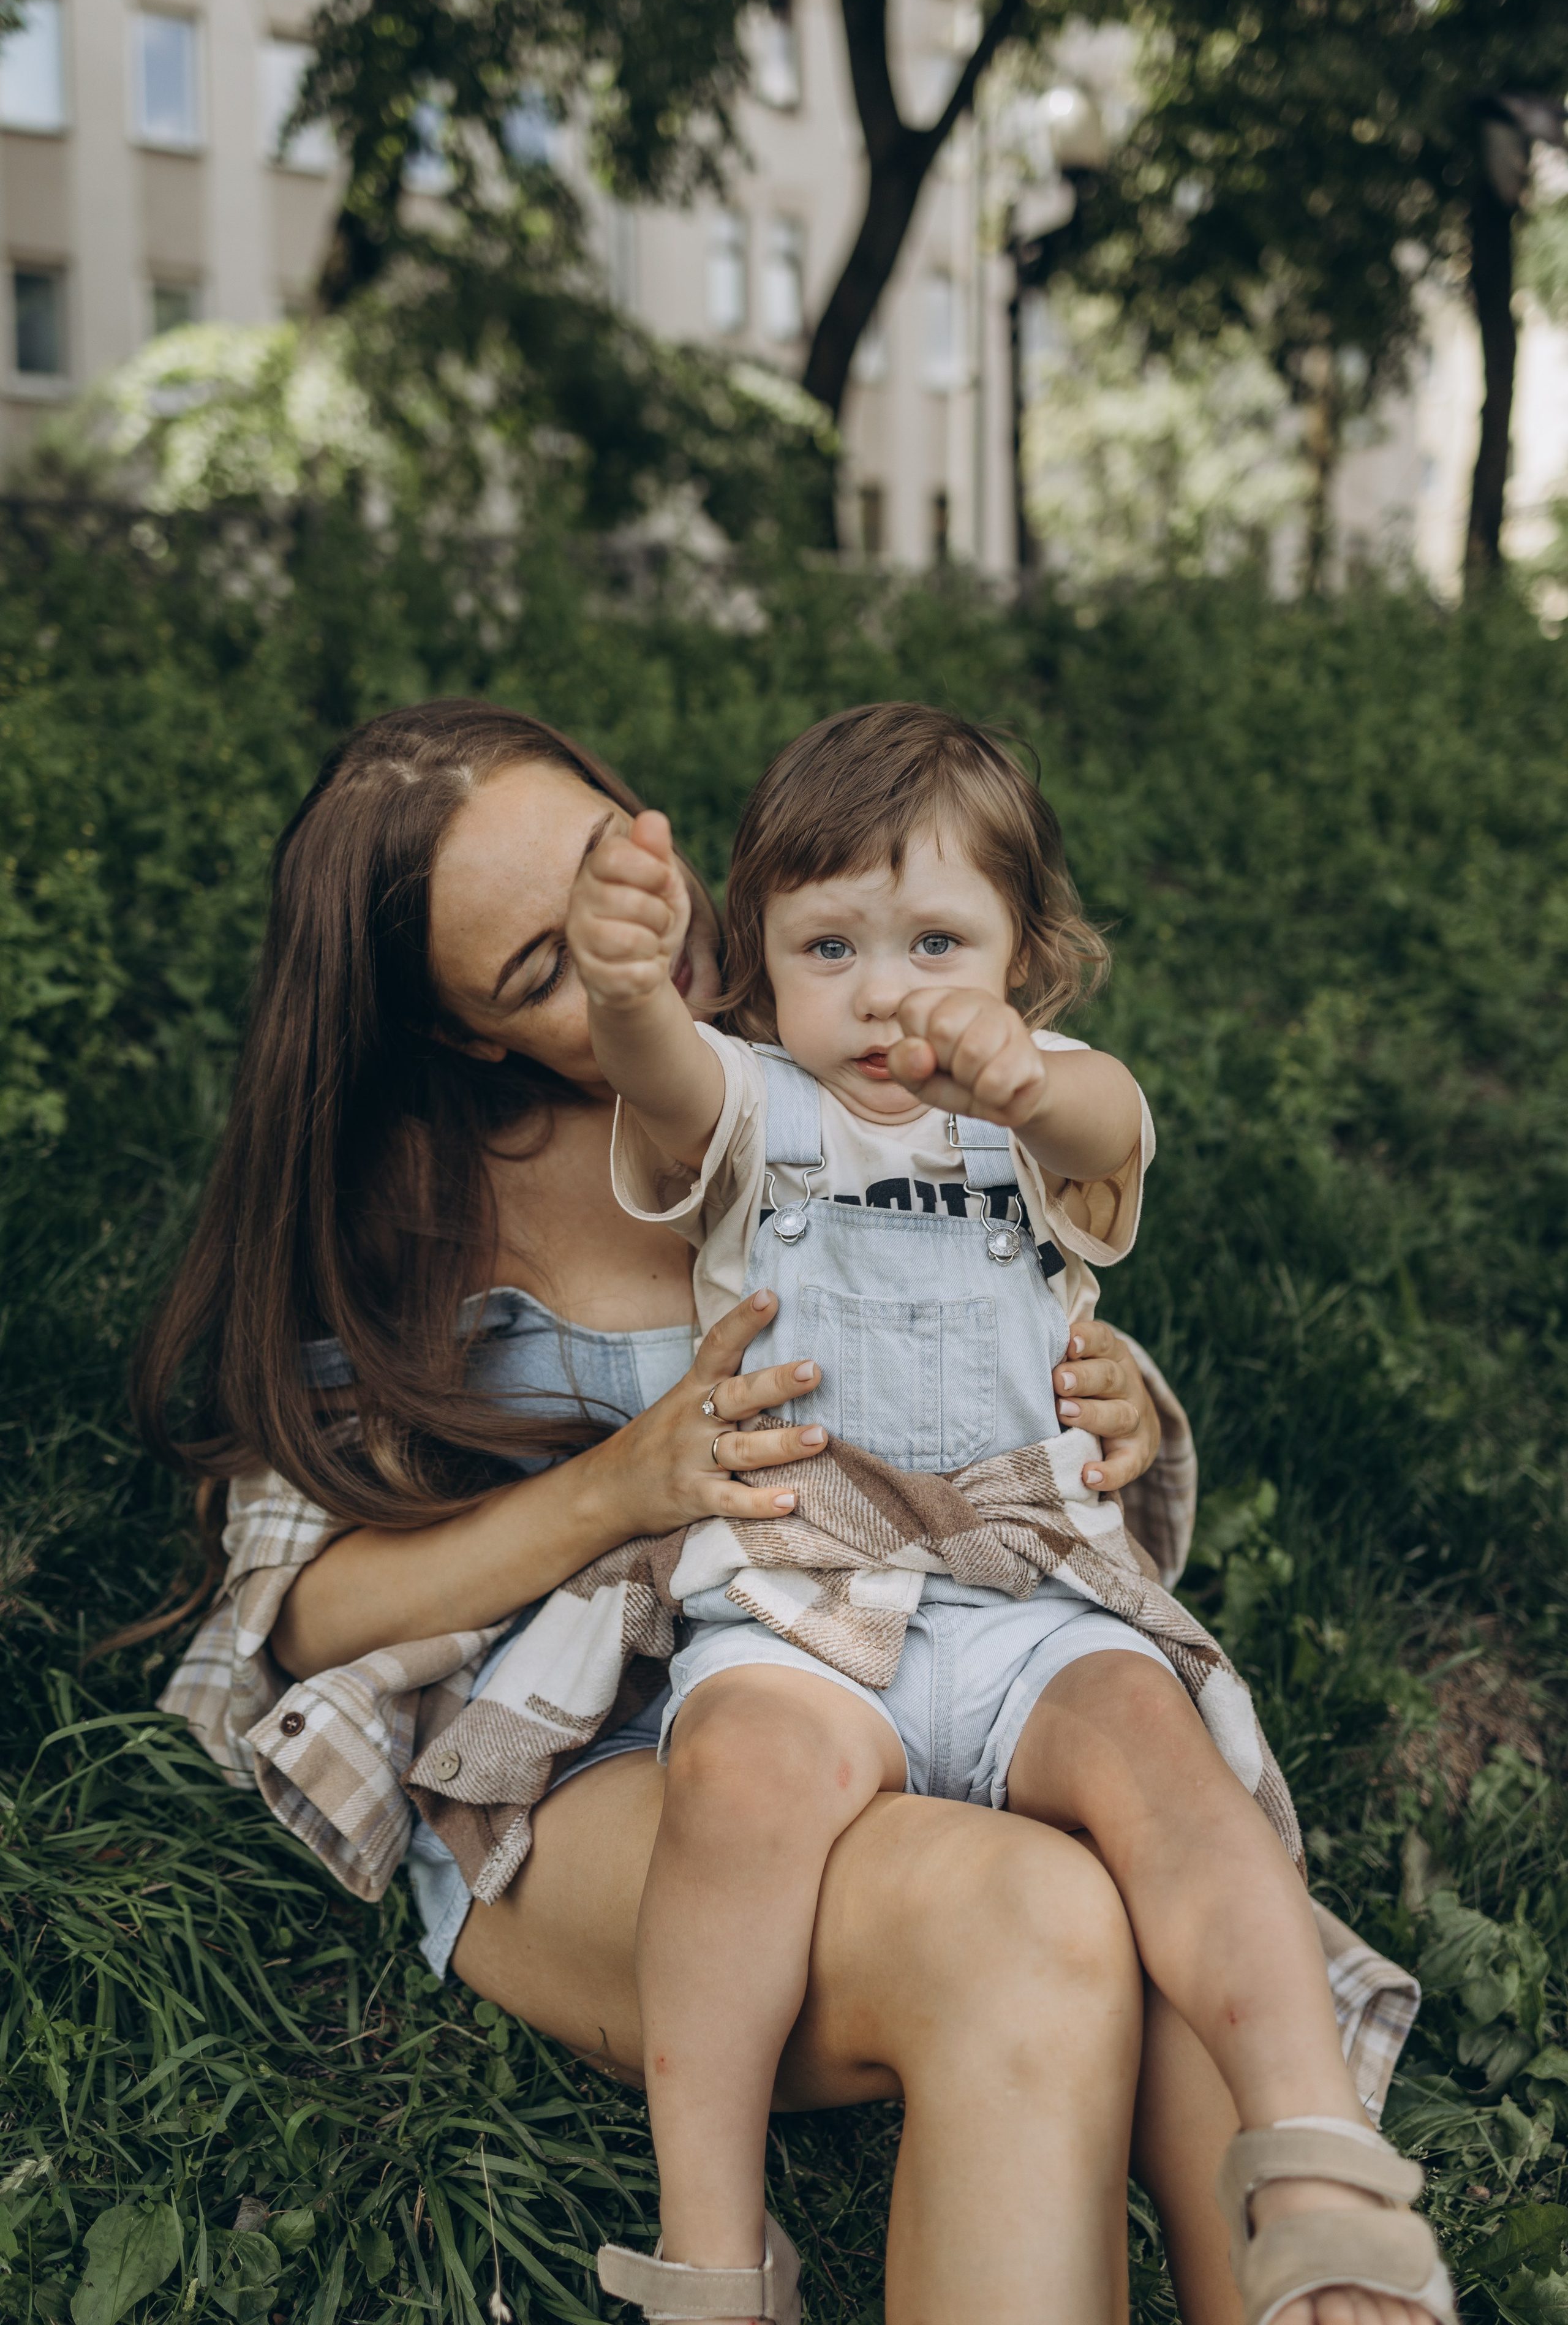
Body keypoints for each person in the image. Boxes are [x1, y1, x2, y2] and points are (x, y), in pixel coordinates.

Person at [141, 699, 1421, 2325]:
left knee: (1179, 1916)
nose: (640, 954)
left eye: (617, 866)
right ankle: (716, 2264)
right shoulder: (426, 1198)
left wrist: (1111, 1401)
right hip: (590, 1769)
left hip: (898, 1650)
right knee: (1033, 1921)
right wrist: (624, 1484)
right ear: (461, 1034)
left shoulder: (847, 1027)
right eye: (544, 970)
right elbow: (299, 1612)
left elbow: (986, 1318)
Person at [565, 704, 1454, 2325]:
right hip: (800, 1584)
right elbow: (663, 1076)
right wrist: (630, 990)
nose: (887, 988)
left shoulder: (1042, 1116)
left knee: (1163, 1760)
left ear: (1027, 958)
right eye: (829, 942)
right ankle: (711, 2248)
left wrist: (1023, 1075)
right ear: (758, 967)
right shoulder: (759, 1107)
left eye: (938, 942)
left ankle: (1315, 2153)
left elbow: (1107, 1127)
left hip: (1019, 1593)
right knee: (738, 1781)